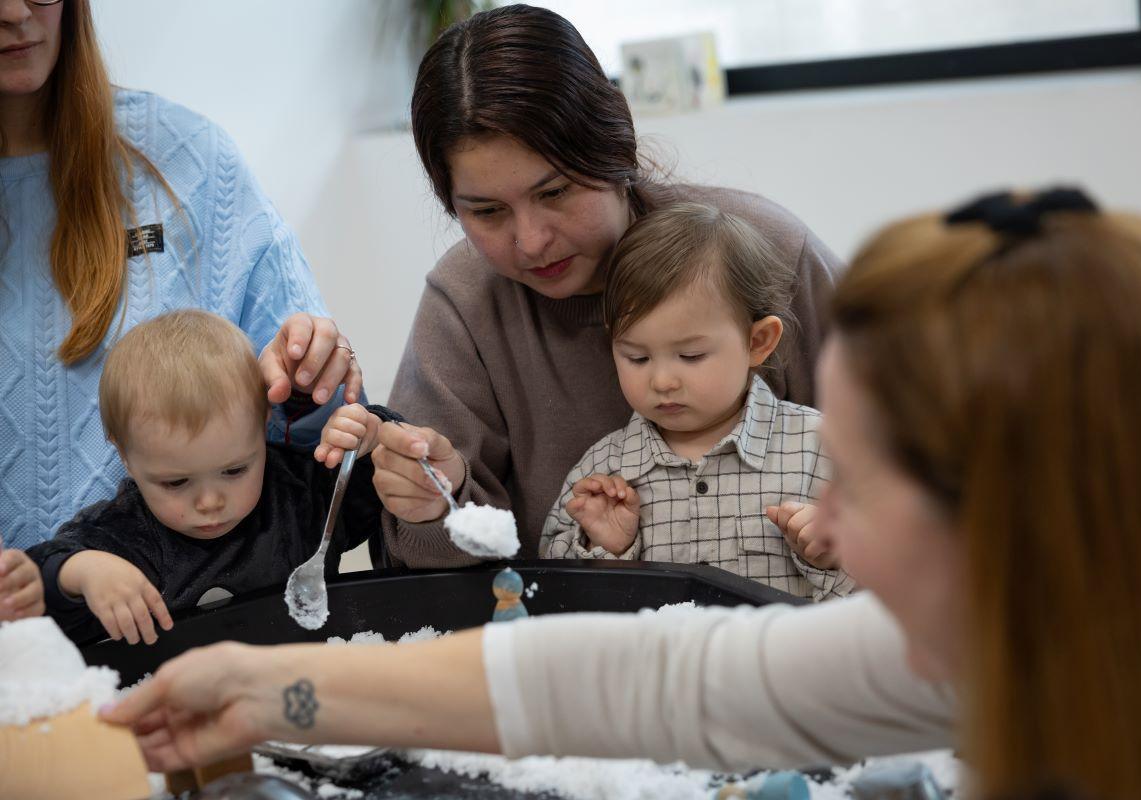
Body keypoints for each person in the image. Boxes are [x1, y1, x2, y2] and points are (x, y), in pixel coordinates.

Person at [107, 188, 1141, 800]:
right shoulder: (977, 643)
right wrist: (272, 689)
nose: (835, 531)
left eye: (857, 483)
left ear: (1012, 503)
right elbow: (663, 675)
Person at [369, 4, 843, 567]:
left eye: (555, 193)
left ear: (616, 147)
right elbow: (426, 567)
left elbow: (923, 460)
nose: (531, 241)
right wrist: (433, 505)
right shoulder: (466, 301)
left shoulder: (768, 253)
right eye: (487, 211)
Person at [0, 0, 361, 565]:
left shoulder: (192, 163)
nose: (17, 12)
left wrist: (311, 370)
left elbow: (328, 444)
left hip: (220, 627)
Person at [25, 310, 399, 645]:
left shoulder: (297, 496)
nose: (210, 502)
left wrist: (371, 439)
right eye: (176, 483)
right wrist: (81, 573)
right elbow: (34, 594)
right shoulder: (123, 538)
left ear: (264, 423)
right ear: (123, 454)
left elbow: (386, 496)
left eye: (234, 470)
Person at [540, 203, 852, 599]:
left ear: (757, 342)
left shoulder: (825, 450)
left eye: (691, 356)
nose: (663, 380)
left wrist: (833, 559)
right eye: (636, 357)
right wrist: (608, 551)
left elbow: (904, 592)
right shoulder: (603, 472)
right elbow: (549, 597)